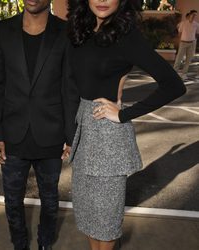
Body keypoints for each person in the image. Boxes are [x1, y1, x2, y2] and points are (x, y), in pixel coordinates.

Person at [64, 0, 186, 250]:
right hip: (83, 132)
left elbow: (173, 84)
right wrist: (70, 136)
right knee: (88, 214)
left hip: (108, 137)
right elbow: (71, 86)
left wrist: (123, 114)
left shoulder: (126, 36)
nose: (103, 0)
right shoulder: (81, 31)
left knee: (106, 220)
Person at [0, 0, 69, 249]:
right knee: (12, 201)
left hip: (51, 132)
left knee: (51, 201)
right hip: (13, 132)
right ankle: (20, 244)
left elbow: (69, 86)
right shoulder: (2, 30)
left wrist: (69, 134)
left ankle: (45, 242)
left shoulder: (65, 31)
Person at [174, 10, 199, 80]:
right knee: (179, 58)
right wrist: (183, 40)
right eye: (193, 14)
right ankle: (174, 73)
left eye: (195, 15)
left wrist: (192, 40)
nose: (194, 16)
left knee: (188, 59)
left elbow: (197, 34)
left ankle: (184, 74)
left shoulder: (196, 24)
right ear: (190, 15)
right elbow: (179, 33)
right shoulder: (183, 23)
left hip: (191, 43)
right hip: (183, 43)